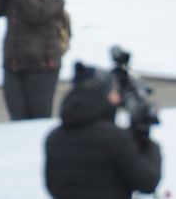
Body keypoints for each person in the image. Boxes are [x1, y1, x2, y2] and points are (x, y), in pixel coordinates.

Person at [42, 62, 162, 199]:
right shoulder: (115, 138)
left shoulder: (54, 137)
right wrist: (149, 144)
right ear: (101, 94)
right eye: (113, 92)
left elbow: (52, 186)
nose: (117, 98)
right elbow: (148, 182)